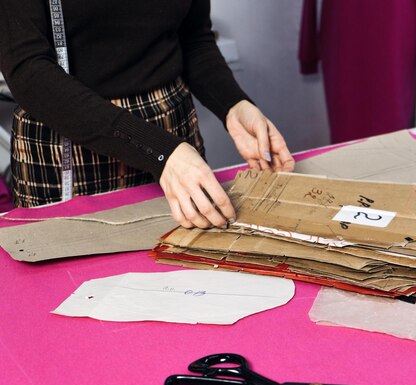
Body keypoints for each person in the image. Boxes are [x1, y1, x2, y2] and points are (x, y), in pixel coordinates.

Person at [0, 0, 294, 228]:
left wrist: (233, 104)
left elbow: (193, 39)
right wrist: (159, 151)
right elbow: (28, 71)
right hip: (71, 135)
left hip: (173, 137)